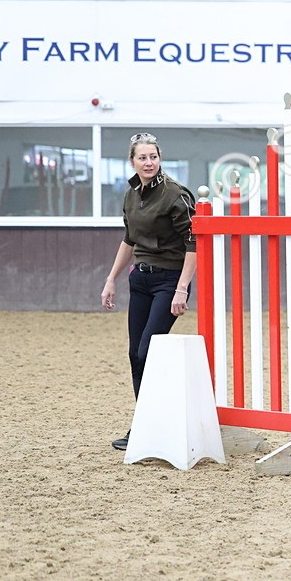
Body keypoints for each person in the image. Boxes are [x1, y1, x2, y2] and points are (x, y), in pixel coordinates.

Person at [100, 133, 197, 450]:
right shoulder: (131, 195)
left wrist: (182, 288)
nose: (148, 162)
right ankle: (143, 426)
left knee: (147, 352)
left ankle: (157, 422)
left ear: (160, 158)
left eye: (153, 157)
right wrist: (112, 278)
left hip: (169, 280)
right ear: (133, 161)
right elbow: (129, 240)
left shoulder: (175, 195)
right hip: (139, 280)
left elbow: (193, 244)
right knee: (134, 354)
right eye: (142, 158)